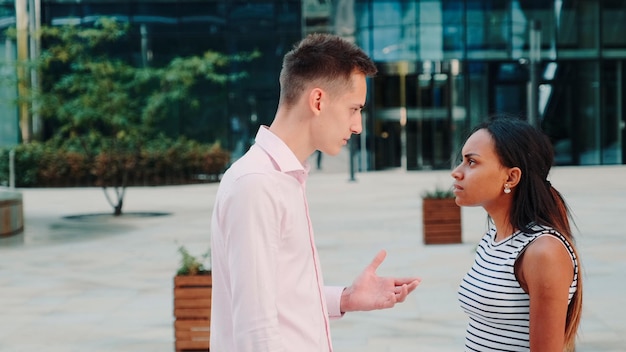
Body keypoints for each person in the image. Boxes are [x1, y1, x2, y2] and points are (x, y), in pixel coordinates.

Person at [210, 33, 422, 351]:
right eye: (354, 109)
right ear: (318, 101)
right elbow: (256, 329)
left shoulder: (284, 178)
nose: (358, 126)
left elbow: (282, 296)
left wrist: (347, 297)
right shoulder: (257, 184)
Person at [451, 116, 583, 352]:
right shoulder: (493, 238)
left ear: (511, 177)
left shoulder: (543, 252)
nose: (456, 173)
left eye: (472, 162)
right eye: (462, 161)